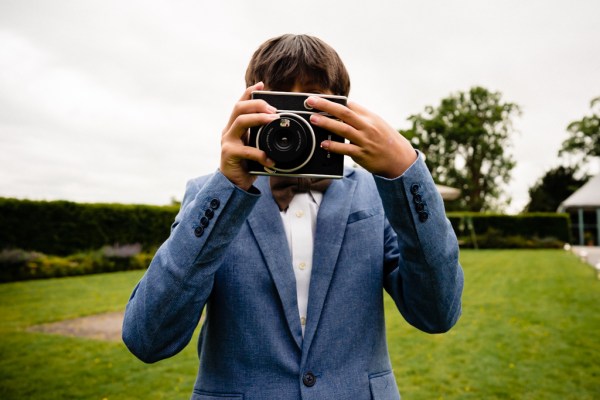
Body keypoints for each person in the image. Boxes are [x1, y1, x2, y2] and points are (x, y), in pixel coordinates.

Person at [122, 34, 464, 400]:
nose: (293, 121)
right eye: (281, 100)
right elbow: (148, 337)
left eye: (311, 101)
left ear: (341, 110)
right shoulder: (212, 196)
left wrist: (405, 171)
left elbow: (437, 313)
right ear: (251, 104)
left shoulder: (376, 193)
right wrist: (228, 186)